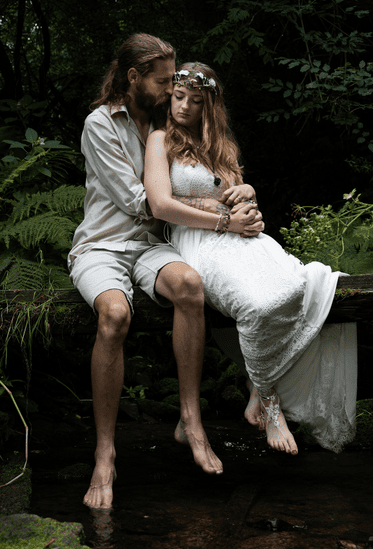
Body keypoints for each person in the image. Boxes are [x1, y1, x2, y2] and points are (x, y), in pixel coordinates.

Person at [67, 35, 262, 510]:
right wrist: (221, 212)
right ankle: (105, 453)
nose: (170, 87)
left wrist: (243, 192)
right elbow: (144, 201)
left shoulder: (163, 120)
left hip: (151, 246)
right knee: (114, 316)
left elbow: (214, 165)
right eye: (162, 80)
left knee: (189, 285)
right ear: (133, 78)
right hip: (103, 247)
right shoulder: (99, 124)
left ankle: (189, 420)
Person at [144, 62, 358, 456]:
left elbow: (238, 194)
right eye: (178, 98)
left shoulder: (222, 144)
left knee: (301, 285)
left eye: (195, 101)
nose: (184, 107)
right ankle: (269, 400)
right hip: (199, 241)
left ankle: (255, 388)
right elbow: (161, 205)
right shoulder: (160, 140)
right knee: (259, 303)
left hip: (245, 239)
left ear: (209, 106)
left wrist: (248, 195)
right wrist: (226, 219)